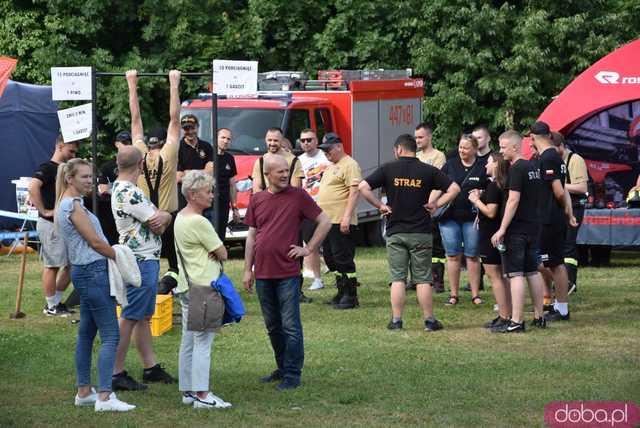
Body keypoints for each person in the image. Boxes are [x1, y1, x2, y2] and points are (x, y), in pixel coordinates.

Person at [243, 155, 331, 391]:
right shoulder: (257, 199)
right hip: (262, 273)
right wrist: (246, 269)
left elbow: (325, 221)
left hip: (288, 273)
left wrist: (308, 248)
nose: (284, 175)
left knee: (290, 325)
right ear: (267, 175)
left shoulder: (298, 196)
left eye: (286, 171)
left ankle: (292, 374)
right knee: (273, 325)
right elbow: (252, 236)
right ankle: (281, 367)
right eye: (279, 172)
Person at [55, 158, 135, 411]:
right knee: (111, 334)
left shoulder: (70, 204)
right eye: (84, 177)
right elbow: (96, 242)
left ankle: (84, 392)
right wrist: (121, 257)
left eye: (91, 176)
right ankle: (104, 397)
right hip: (93, 272)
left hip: (85, 272)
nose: (90, 181)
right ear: (70, 179)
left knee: (87, 334)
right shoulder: (73, 206)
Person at [358, 134, 459, 331]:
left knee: (397, 278)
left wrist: (380, 205)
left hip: (396, 231)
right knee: (423, 278)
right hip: (421, 231)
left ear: (399, 149)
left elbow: (363, 187)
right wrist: (436, 204)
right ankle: (429, 321)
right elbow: (454, 188)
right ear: (415, 150)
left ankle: (396, 321)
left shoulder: (388, 168)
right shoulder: (428, 170)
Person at [110, 146, 175, 391]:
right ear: (140, 166)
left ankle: (150, 367)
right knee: (129, 317)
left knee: (142, 317)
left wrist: (162, 216)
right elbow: (157, 224)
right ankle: (116, 372)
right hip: (140, 259)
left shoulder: (119, 187)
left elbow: (155, 219)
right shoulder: (131, 192)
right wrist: (167, 216)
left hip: (141, 258)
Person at [174, 170, 232, 409]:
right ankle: (202, 395)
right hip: (204, 287)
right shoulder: (199, 221)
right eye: (208, 192)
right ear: (193, 194)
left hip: (187, 285)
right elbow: (223, 252)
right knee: (202, 342)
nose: (212, 196)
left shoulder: (180, 217)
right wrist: (215, 251)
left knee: (188, 340)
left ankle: (188, 391)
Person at [127, 69, 182, 294]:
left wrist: (131, 83)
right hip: (168, 216)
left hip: (145, 217)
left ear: (149, 144)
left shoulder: (139, 151)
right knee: (174, 263)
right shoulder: (168, 153)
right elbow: (175, 119)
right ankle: (169, 282)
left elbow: (135, 119)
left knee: (144, 257)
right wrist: (174, 83)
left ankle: (148, 286)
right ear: (163, 141)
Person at [491, 130, 547, 333]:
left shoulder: (516, 169)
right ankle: (539, 317)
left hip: (517, 229)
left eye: (503, 147)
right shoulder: (533, 166)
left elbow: (513, 200)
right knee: (532, 271)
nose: (500, 151)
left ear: (515, 147)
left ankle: (516, 321)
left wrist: (502, 228)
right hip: (534, 226)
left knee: (515, 274)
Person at [529, 122, 577, 322]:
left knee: (554, 264)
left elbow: (558, 189)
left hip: (549, 218)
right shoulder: (554, 157)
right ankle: (558, 304)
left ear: (532, 137)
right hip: (551, 217)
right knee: (549, 262)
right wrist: (568, 212)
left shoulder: (548, 158)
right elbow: (564, 189)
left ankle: (563, 309)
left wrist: (560, 208)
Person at [29, 134, 78, 316]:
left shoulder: (65, 169)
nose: (73, 155)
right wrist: (44, 211)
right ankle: (50, 306)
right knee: (52, 265)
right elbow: (33, 186)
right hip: (50, 224)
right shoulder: (48, 168)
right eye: (70, 150)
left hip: (64, 224)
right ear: (60, 146)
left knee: (71, 264)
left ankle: (56, 302)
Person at [437, 134, 487, 306]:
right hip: (449, 218)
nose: (461, 150)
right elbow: (438, 185)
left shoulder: (482, 167)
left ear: (474, 149)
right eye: (460, 147)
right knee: (452, 255)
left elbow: (492, 188)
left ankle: (475, 295)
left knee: (473, 256)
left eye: (465, 148)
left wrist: (482, 193)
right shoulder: (449, 165)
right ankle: (453, 295)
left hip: (472, 219)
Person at [317, 132, 363, 309]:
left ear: (339, 147)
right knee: (330, 258)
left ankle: (351, 296)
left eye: (328, 149)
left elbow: (354, 192)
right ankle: (341, 291)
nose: (326, 153)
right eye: (323, 150)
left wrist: (346, 217)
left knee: (343, 258)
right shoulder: (331, 166)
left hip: (341, 221)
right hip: (328, 222)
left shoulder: (350, 165)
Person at [469, 152, 512, 330]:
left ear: (496, 164)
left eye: (488, 163)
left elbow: (491, 212)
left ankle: (504, 316)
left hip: (490, 235)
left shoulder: (495, 186)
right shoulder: (503, 184)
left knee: (495, 276)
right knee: (502, 276)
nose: (485, 166)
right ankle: (507, 313)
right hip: (498, 234)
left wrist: (476, 200)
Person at [551, 131, 588, 294]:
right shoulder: (552, 160)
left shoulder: (575, 160)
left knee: (568, 245)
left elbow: (582, 188)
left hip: (575, 205)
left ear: (561, 146)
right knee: (558, 244)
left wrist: (557, 186)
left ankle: (570, 281)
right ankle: (560, 280)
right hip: (558, 205)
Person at [414, 123, 447, 293]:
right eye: (416, 137)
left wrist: (431, 202)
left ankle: (438, 280)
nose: (418, 140)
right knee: (417, 244)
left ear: (429, 137)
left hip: (431, 207)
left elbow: (439, 183)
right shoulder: (415, 156)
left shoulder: (438, 156)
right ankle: (418, 278)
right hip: (416, 208)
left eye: (421, 137)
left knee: (435, 245)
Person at [298, 128, 331, 290]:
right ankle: (317, 279)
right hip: (308, 208)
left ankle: (343, 275)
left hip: (328, 205)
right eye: (303, 141)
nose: (306, 143)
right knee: (312, 244)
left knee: (333, 244)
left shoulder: (327, 156)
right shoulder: (298, 161)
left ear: (316, 141)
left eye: (309, 140)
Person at [97, 131, 133, 245]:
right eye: (124, 143)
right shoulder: (107, 167)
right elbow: (103, 191)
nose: (126, 145)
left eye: (128, 143)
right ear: (116, 144)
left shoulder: (136, 165)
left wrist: (112, 190)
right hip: (111, 212)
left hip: (130, 212)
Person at [177, 114, 213, 210]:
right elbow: (178, 177)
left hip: (204, 197)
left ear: (198, 127)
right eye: (186, 129)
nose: (190, 131)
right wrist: (203, 172)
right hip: (185, 199)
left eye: (192, 128)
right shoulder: (177, 148)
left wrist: (187, 173)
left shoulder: (207, 146)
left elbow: (210, 172)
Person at [251, 127, 304, 193]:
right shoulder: (260, 161)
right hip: (266, 201)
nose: (272, 143)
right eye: (269, 140)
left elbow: (296, 190)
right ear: (265, 140)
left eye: (275, 140)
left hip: (287, 201)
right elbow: (256, 188)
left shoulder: (293, 160)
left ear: (282, 141)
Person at [212, 127, 240, 241]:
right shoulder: (209, 155)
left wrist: (234, 207)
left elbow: (232, 185)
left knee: (220, 235)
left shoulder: (230, 158)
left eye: (228, 139)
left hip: (224, 204)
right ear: (216, 138)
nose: (225, 141)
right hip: (208, 204)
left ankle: (219, 259)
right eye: (223, 137)